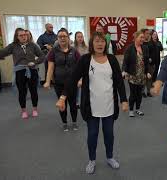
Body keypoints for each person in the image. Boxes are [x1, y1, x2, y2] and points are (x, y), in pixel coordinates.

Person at [55, 32, 128, 174]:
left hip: (109, 104)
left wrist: (124, 100)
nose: (100, 44)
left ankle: (110, 157)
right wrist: (63, 97)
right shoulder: (85, 60)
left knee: (109, 134)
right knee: (92, 134)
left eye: (102, 41)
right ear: (92, 43)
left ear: (105, 44)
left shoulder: (112, 59)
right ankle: (92, 160)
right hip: (91, 105)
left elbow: (119, 81)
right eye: (97, 41)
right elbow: (72, 79)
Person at [0, 28, 45, 119]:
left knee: (33, 91)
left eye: (25, 35)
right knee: (22, 92)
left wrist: (35, 62)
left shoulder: (33, 45)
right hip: (20, 72)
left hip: (32, 70)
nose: (24, 37)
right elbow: (0, 54)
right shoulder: (13, 46)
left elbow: (42, 56)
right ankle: (24, 111)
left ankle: (35, 109)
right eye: (21, 35)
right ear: (17, 37)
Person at [43, 28, 80, 131]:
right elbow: (50, 68)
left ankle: (74, 122)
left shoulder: (74, 50)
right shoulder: (53, 51)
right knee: (62, 104)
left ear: (68, 38)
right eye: (60, 36)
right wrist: (47, 81)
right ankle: (64, 123)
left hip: (72, 82)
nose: (62, 38)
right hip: (59, 82)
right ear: (57, 38)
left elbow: (79, 66)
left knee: (73, 103)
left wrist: (80, 79)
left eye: (65, 36)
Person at [122, 31, 151, 117]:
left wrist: (148, 71)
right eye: (141, 37)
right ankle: (131, 110)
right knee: (133, 93)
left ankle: (138, 109)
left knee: (139, 94)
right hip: (132, 74)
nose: (143, 39)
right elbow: (125, 61)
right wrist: (124, 70)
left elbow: (146, 62)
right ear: (136, 38)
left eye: (143, 37)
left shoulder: (145, 48)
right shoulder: (129, 48)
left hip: (142, 75)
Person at [74, 31, 89, 108]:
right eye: (78, 37)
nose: (80, 38)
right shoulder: (73, 48)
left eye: (81, 37)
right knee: (76, 87)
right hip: (75, 70)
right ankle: (77, 101)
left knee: (83, 86)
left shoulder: (87, 48)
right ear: (75, 38)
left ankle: (81, 101)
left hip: (85, 69)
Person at [141, 28, 151, 97]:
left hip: (150, 63)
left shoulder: (150, 42)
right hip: (143, 63)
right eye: (147, 33)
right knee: (143, 78)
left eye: (149, 33)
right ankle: (142, 91)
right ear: (143, 34)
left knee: (149, 78)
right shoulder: (141, 43)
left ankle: (148, 91)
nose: (148, 35)